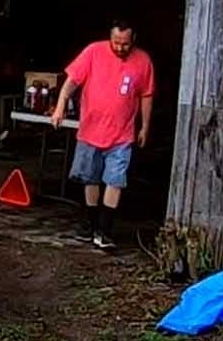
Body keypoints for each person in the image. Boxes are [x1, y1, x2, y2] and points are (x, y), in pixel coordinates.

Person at [51, 23, 155, 251]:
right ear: (110, 37)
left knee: (115, 179)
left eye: (125, 43)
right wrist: (60, 105)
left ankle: (105, 229)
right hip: (91, 130)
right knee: (90, 177)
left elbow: (146, 95)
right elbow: (72, 81)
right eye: (116, 42)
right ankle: (89, 224)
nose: (119, 47)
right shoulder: (93, 51)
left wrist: (145, 127)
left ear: (133, 39)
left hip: (122, 133)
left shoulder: (143, 61)